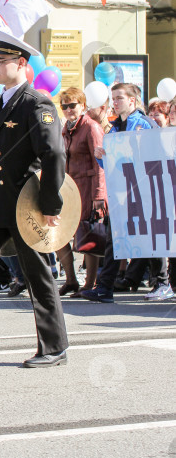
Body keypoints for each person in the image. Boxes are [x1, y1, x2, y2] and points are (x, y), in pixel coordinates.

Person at [0, 30, 69, 368]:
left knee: (36, 273)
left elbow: (52, 155)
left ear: (22, 63)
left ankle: (54, 346)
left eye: (1, 61)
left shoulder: (37, 103)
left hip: (24, 201)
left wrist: (50, 205)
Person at [81, 83, 159, 303]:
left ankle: (162, 281)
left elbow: (153, 154)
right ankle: (105, 287)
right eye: (113, 98)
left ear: (132, 101)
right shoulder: (115, 127)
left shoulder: (144, 124)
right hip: (123, 190)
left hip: (143, 188)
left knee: (150, 235)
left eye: (119, 98)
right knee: (114, 238)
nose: (114, 103)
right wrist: (101, 155)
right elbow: (112, 163)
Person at [54, 87, 106, 298]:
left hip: (87, 187)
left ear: (83, 106)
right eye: (64, 106)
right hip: (68, 187)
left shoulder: (91, 128)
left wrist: (99, 195)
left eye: (72, 105)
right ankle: (71, 280)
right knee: (59, 234)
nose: (68, 109)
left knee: (88, 234)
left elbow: (101, 163)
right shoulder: (65, 128)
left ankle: (89, 283)